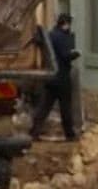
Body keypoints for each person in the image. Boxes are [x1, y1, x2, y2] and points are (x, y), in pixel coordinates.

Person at [29, 13, 81, 141]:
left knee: (44, 107)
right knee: (65, 108)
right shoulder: (62, 37)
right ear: (66, 24)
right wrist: (75, 54)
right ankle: (70, 134)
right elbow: (65, 55)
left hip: (50, 77)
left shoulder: (50, 35)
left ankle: (34, 132)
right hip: (62, 77)